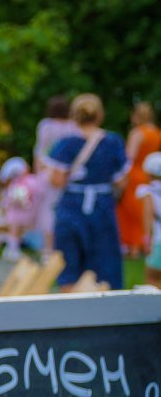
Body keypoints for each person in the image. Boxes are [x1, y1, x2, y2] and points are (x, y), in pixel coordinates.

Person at [43, 93, 129, 290]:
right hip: (102, 206)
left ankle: (71, 313)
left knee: (69, 261)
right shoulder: (113, 142)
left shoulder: (66, 143)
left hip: (71, 206)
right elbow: (122, 181)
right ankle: (106, 310)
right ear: (99, 115)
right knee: (105, 261)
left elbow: (56, 180)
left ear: (75, 116)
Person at [33, 95, 79, 255]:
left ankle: (48, 248)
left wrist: (39, 172)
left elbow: (40, 151)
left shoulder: (46, 125)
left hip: (48, 170)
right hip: (68, 173)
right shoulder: (73, 126)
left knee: (48, 210)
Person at [117, 102, 160, 256]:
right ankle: (144, 246)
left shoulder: (137, 133)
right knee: (144, 211)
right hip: (150, 175)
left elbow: (130, 157)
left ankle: (134, 248)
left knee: (130, 212)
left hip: (134, 174)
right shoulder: (156, 132)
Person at [0, 156, 44, 260]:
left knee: (17, 230)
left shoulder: (29, 180)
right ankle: (11, 250)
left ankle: (12, 249)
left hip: (22, 210)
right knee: (14, 229)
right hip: (16, 211)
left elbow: (35, 192)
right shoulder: (16, 182)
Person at [136, 151, 161, 288]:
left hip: (158, 239)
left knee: (153, 279)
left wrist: (147, 239)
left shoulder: (147, 191)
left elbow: (148, 215)